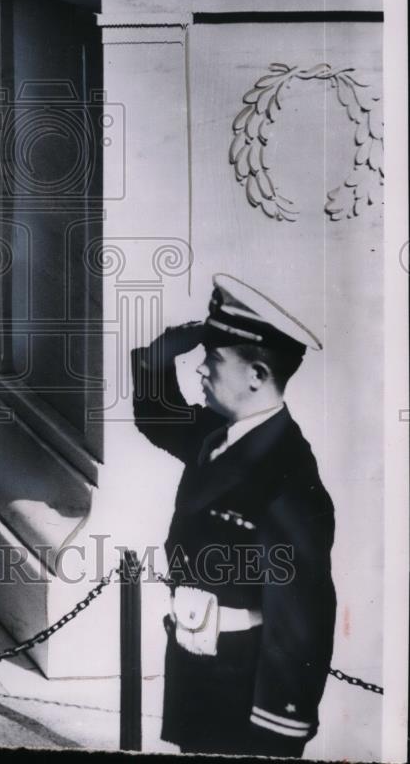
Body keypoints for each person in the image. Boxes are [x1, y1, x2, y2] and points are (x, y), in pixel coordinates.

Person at [131, 274, 335, 758]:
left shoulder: (287, 471)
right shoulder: (219, 435)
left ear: (257, 376)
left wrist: (279, 726)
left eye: (213, 360)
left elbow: (300, 616)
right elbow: (155, 414)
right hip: (199, 663)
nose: (200, 369)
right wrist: (165, 350)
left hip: (242, 684)